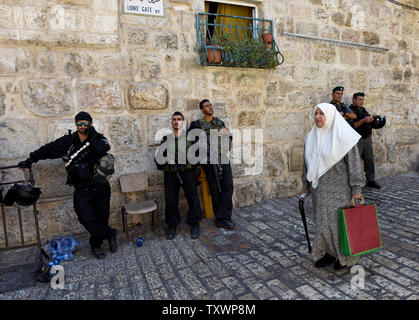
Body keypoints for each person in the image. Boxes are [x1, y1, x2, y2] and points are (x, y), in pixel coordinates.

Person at [18, 111, 117, 259]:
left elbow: (103, 148)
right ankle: (110, 233)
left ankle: (96, 245)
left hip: (101, 186)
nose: (82, 126)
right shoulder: (69, 141)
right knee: (85, 217)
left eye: (85, 123)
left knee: (102, 216)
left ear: (90, 124)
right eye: (79, 123)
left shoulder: (98, 138)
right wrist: (31, 159)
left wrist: (93, 134)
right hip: (82, 188)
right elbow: (49, 149)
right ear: (75, 124)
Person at [300, 103, 365, 270]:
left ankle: (346, 258)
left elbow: (355, 166)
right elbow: (308, 163)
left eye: (322, 113)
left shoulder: (345, 137)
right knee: (323, 224)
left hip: (340, 190)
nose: (318, 117)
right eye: (316, 113)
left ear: (331, 115)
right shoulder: (311, 137)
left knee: (339, 225)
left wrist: (356, 190)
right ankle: (329, 253)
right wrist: (305, 184)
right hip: (319, 191)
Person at [188, 99, 235, 230]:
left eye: (210, 105)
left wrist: (227, 135)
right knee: (215, 189)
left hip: (222, 157)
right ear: (202, 110)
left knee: (228, 186)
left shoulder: (219, 122)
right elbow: (192, 141)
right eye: (206, 106)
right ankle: (221, 218)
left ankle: (224, 215)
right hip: (208, 160)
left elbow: (227, 141)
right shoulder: (197, 124)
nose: (209, 107)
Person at [155, 112, 203, 240]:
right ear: (171, 122)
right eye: (174, 119)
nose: (176, 121)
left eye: (179, 119)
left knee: (192, 197)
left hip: (188, 173)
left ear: (183, 122)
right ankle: (172, 225)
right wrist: (167, 161)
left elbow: (198, 156)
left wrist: (186, 162)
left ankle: (195, 223)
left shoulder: (191, 138)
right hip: (171, 173)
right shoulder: (166, 139)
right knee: (171, 200)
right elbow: (159, 159)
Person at [350, 92, 381, 189]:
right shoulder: (350, 110)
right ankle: (354, 183)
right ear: (354, 100)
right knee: (354, 162)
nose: (361, 102)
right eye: (359, 99)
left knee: (369, 160)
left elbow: (369, 123)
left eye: (362, 100)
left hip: (366, 139)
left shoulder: (363, 110)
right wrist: (364, 120)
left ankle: (370, 180)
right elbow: (353, 125)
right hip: (357, 139)